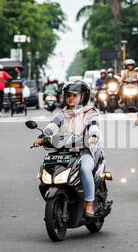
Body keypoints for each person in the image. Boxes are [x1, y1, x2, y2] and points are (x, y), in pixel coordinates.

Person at [33, 81, 101, 218]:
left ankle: (89, 203)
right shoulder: (62, 114)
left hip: (84, 152)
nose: (70, 98)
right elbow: (51, 127)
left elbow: (94, 126)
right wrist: (41, 137)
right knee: (49, 166)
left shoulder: (90, 113)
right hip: (63, 152)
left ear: (82, 97)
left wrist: (93, 136)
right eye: (68, 95)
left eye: (74, 95)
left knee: (84, 169)